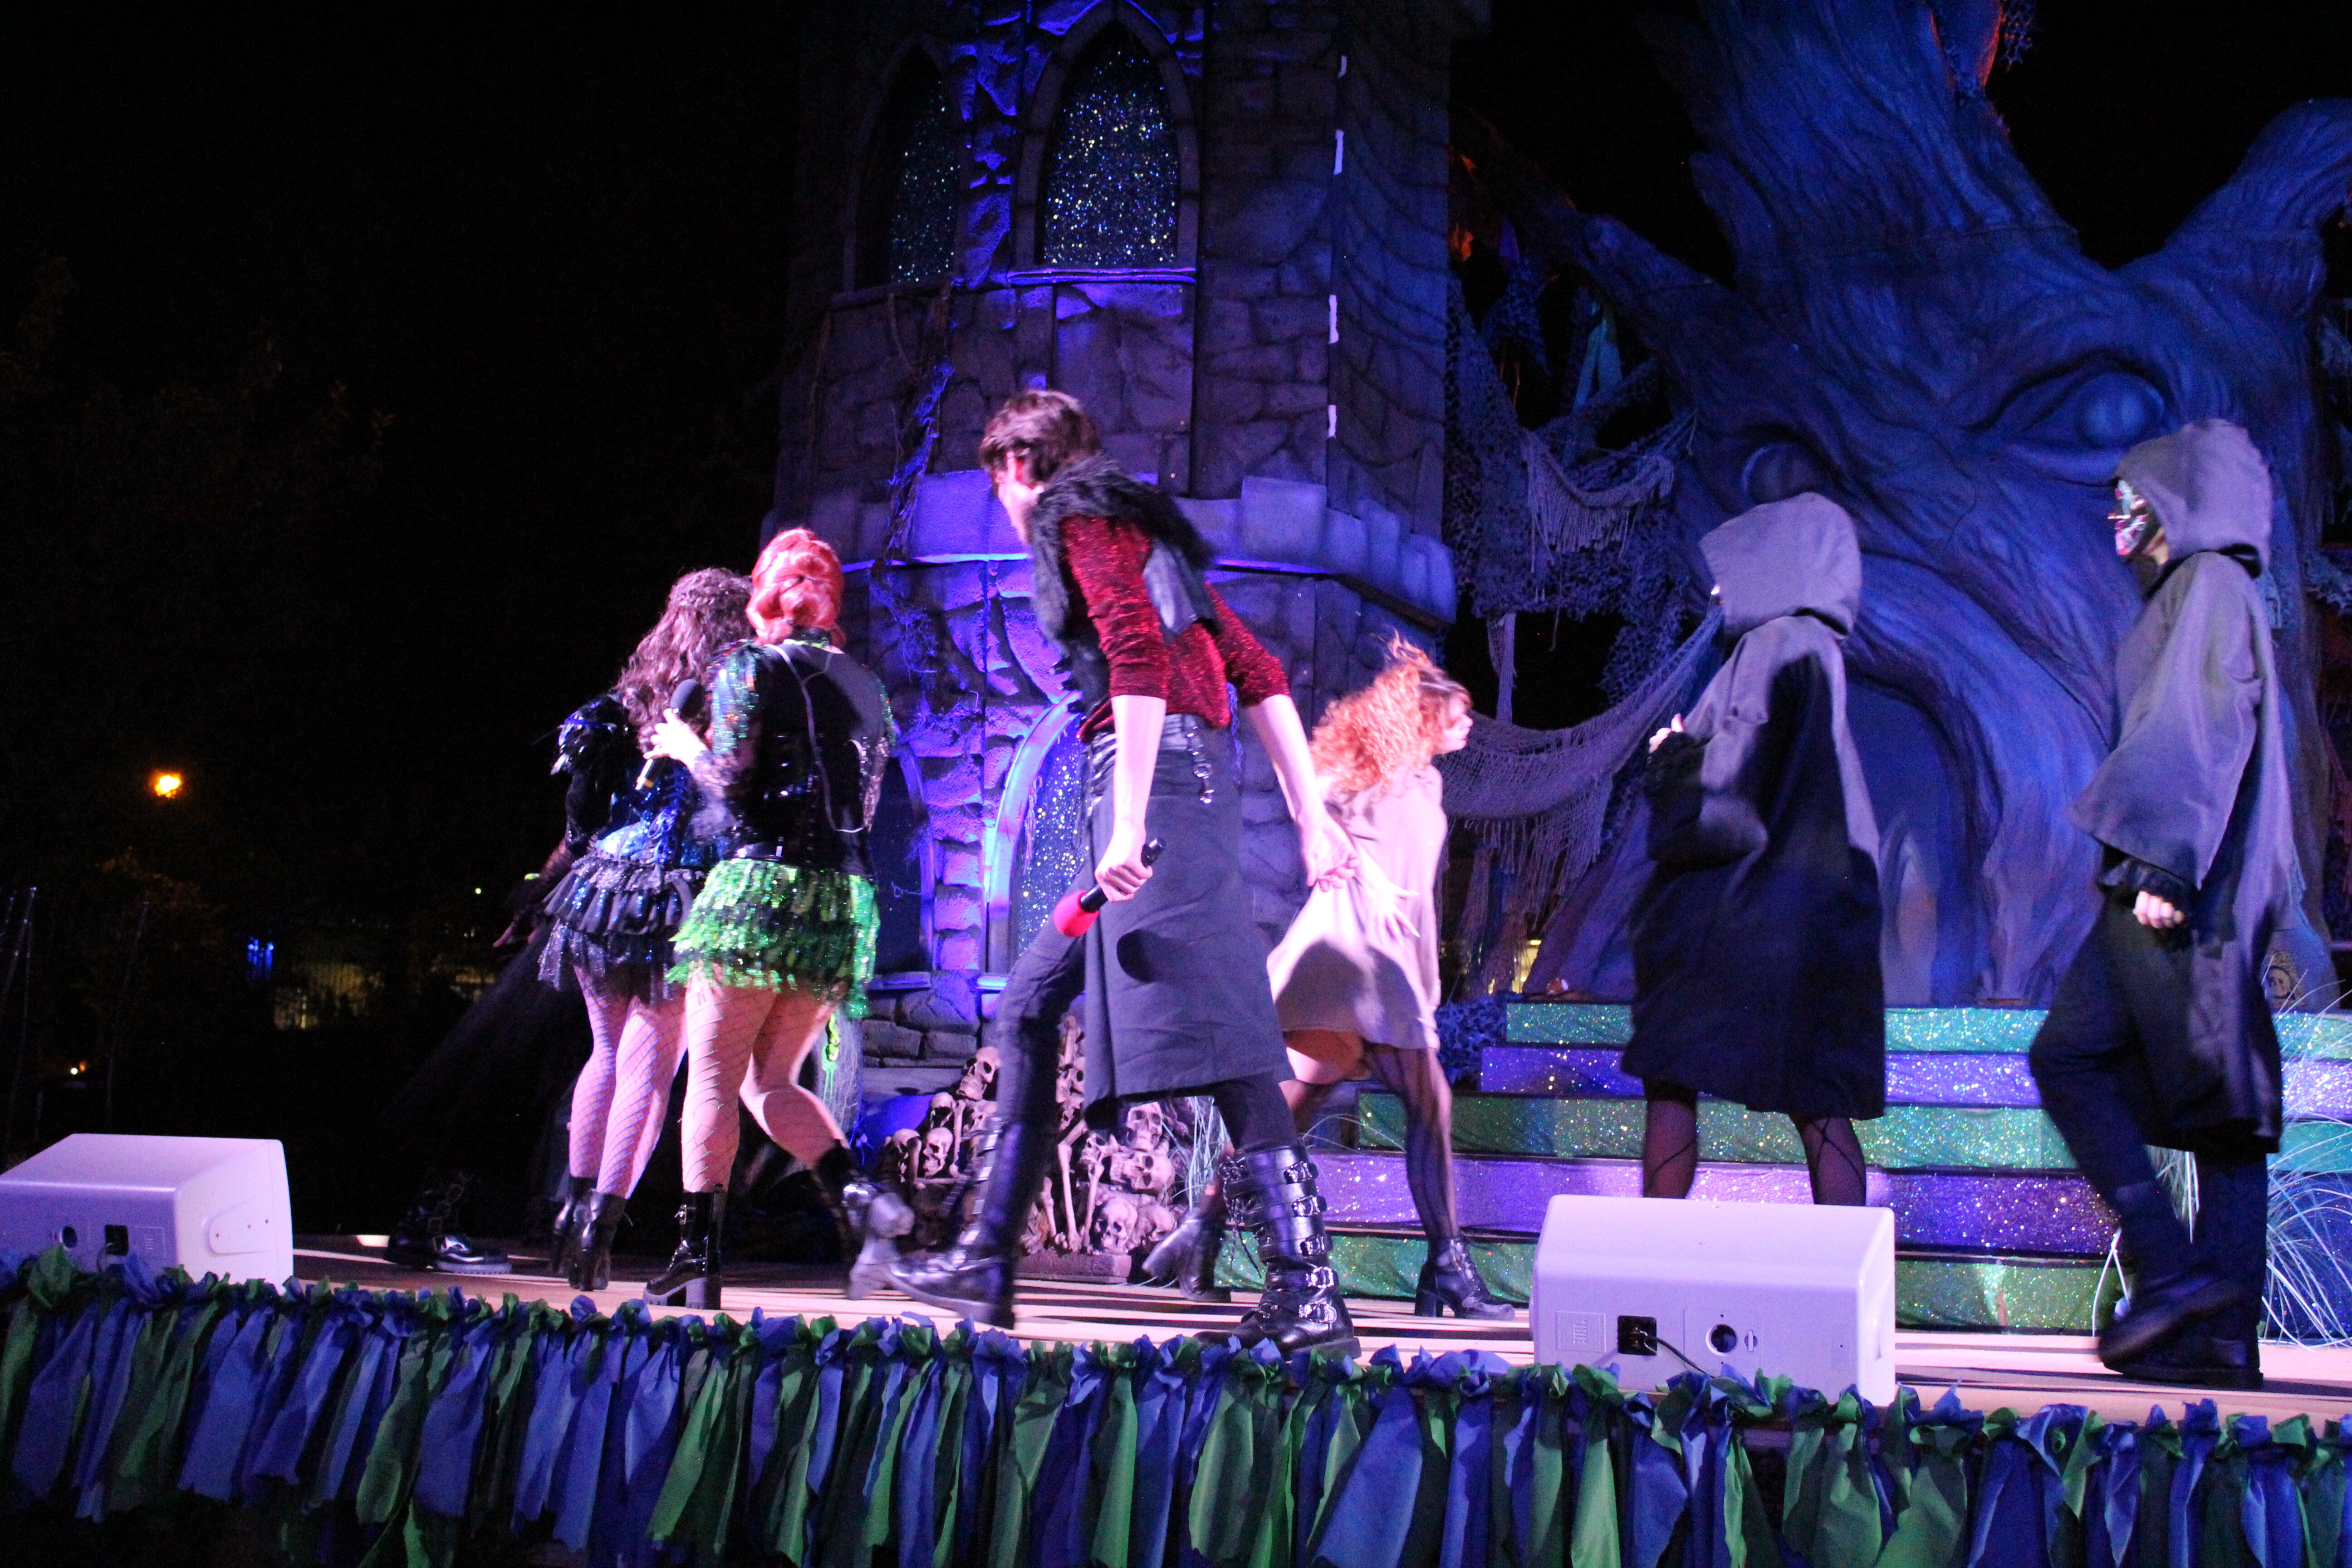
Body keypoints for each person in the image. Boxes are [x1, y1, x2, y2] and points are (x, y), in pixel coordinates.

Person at [889, 389, 1362, 1353]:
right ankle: (986, 1261)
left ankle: (1305, 1286)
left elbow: (1138, 655)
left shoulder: (1079, 517)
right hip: (1177, 784)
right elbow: (1259, 668)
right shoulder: (1143, 535)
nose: (1004, 505)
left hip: (1155, 794)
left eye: (997, 484)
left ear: (1017, 465)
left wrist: (1133, 821)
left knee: (1224, 1035)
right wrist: (1310, 819)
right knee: (1030, 1004)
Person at [2029, 419, 2297, 1389]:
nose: (2119, 517)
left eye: (2133, 499)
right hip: (2180, 879)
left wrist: (2165, 865)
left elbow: (2203, 723)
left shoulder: (2211, 585)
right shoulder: (2202, 591)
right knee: (2211, 1108)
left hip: (2177, 884)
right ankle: (2214, 1330)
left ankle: (2178, 1277)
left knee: (2086, 1062)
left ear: (2179, 501)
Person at [1144, 643, 1512, 1319]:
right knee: (1430, 1105)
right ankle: (1447, 1271)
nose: (1467, 725)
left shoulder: (1429, 785)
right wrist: (1354, 863)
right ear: (1421, 718)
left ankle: (1201, 1230)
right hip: (1351, 950)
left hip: (1382, 961)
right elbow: (1310, 799)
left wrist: (1424, 976)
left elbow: (1417, 890)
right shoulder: (1359, 775)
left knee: (1287, 1113)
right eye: (1456, 714)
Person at [641, 529, 907, 1309]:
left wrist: (683, 748)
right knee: (770, 1081)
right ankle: (859, 1194)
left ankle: (697, 1257)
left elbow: (730, 784)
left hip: (758, 890)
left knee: (714, 1080)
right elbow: (865, 805)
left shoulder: (748, 669)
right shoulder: (868, 686)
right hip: (839, 901)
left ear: (763, 595)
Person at [1622, 493, 1885, 1209]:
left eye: (1734, 573)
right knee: (1817, 1101)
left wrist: (1673, 757)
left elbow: (1733, 788)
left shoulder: (1774, 645)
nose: (1718, 593)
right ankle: (1842, 1269)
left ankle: (1650, 1258)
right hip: (1813, 911)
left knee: (1672, 1076)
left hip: (1750, 914)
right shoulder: (1818, 649)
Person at [534, 568, 751, 1292]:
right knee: (650, 1071)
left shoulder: (633, 696)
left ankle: (571, 1212)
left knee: (605, 1054)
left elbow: (583, 803)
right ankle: (598, 1231)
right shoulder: (736, 696)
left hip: (605, 885)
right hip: (686, 892)